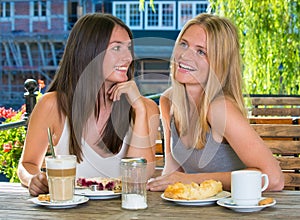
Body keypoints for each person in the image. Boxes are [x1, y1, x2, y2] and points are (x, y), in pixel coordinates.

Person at [17, 13, 160, 196]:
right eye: (116, 48)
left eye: (128, 48)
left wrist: (139, 111)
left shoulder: (145, 108)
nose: (128, 58)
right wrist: (33, 179)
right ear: (89, 52)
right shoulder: (52, 104)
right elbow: (27, 164)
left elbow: (139, 178)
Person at [147, 13, 284, 192]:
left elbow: (274, 179)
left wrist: (192, 180)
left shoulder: (219, 108)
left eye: (201, 51)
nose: (185, 56)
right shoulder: (168, 102)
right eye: (183, 44)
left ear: (219, 63)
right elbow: (174, 172)